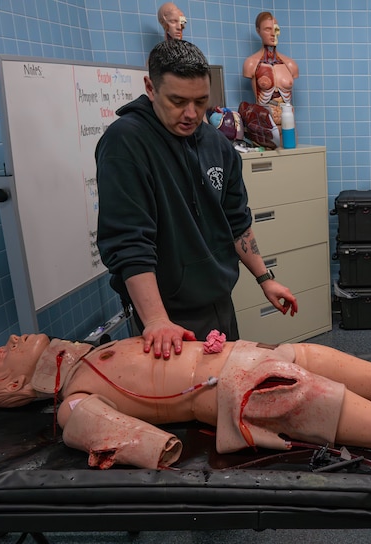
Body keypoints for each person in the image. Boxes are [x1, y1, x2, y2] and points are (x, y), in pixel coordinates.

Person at [0, 333, 371, 470]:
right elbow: (157, 449)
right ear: (16, 387)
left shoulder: (92, 353)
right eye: (2, 354)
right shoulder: (74, 402)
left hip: (261, 354)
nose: (12, 341)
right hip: (247, 392)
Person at [96, 40, 298, 360]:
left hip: (219, 302)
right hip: (166, 315)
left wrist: (265, 279)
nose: (191, 114)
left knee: (226, 388)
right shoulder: (127, 142)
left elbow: (236, 221)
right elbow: (128, 241)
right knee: (183, 403)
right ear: (150, 87)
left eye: (200, 101)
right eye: (177, 101)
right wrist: (157, 320)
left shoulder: (217, 145)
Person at [241, 11, 299, 148]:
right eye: (267, 29)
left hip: (289, 127)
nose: (273, 34)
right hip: (264, 126)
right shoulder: (252, 64)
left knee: (294, 162)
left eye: (275, 29)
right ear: (258, 31)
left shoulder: (290, 65)